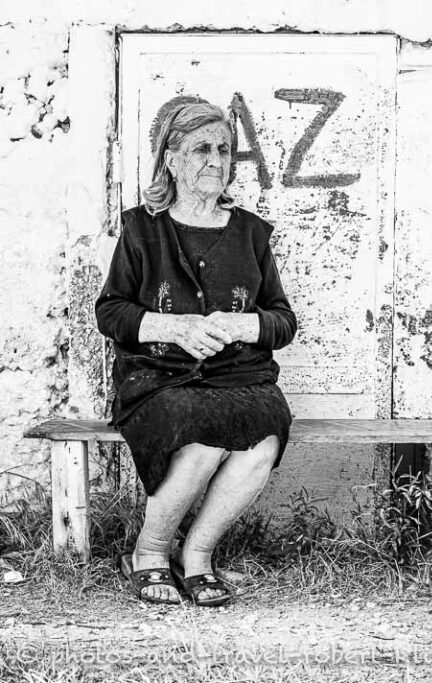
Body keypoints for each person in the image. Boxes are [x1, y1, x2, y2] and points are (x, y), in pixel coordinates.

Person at [96, 101, 297, 606]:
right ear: (170, 159)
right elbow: (111, 311)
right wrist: (175, 327)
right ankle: (149, 553)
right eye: (201, 148)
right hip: (157, 378)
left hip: (238, 377)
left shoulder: (250, 233)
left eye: (224, 150)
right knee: (202, 432)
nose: (215, 159)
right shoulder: (144, 229)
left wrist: (243, 325)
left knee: (265, 432)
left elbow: (282, 320)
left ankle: (198, 557)